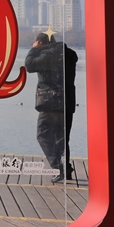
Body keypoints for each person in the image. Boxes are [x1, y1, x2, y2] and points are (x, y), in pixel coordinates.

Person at [22, 30, 77, 181]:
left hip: (51, 102)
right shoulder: (70, 54)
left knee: (42, 135)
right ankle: (66, 169)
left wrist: (34, 49)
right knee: (62, 138)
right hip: (67, 102)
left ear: (41, 43)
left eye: (37, 43)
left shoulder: (47, 55)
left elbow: (29, 65)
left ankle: (59, 168)